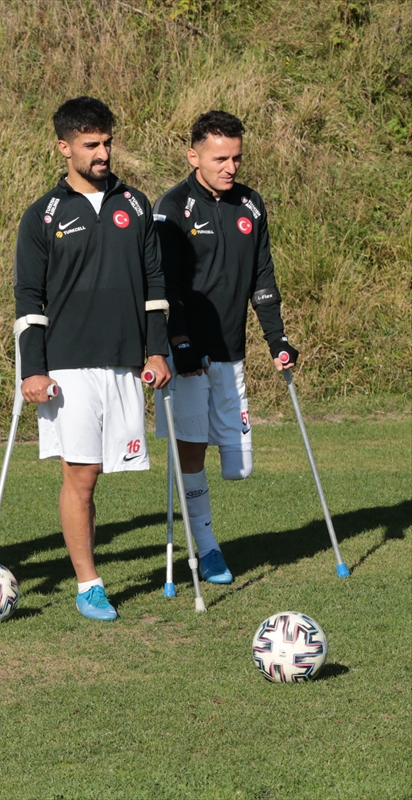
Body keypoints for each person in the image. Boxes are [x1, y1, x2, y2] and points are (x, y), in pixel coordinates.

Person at [13, 96, 172, 621]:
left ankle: (90, 578)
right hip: (68, 366)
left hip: (126, 362)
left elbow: (155, 287)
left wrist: (157, 349)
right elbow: (28, 301)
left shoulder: (138, 204)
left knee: (106, 470)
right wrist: (32, 369)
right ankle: (89, 585)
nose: (103, 152)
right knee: (81, 476)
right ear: (64, 148)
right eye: (91, 145)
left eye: (107, 142)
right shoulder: (43, 215)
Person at [153, 110, 299, 584]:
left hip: (232, 352)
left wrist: (276, 337)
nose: (230, 167)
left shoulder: (251, 206)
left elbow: (263, 278)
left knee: (239, 467)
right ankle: (208, 548)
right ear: (194, 155)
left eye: (236, 157)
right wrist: (179, 341)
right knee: (192, 450)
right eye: (220, 158)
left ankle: (208, 536)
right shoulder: (173, 207)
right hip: (189, 356)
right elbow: (164, 284)